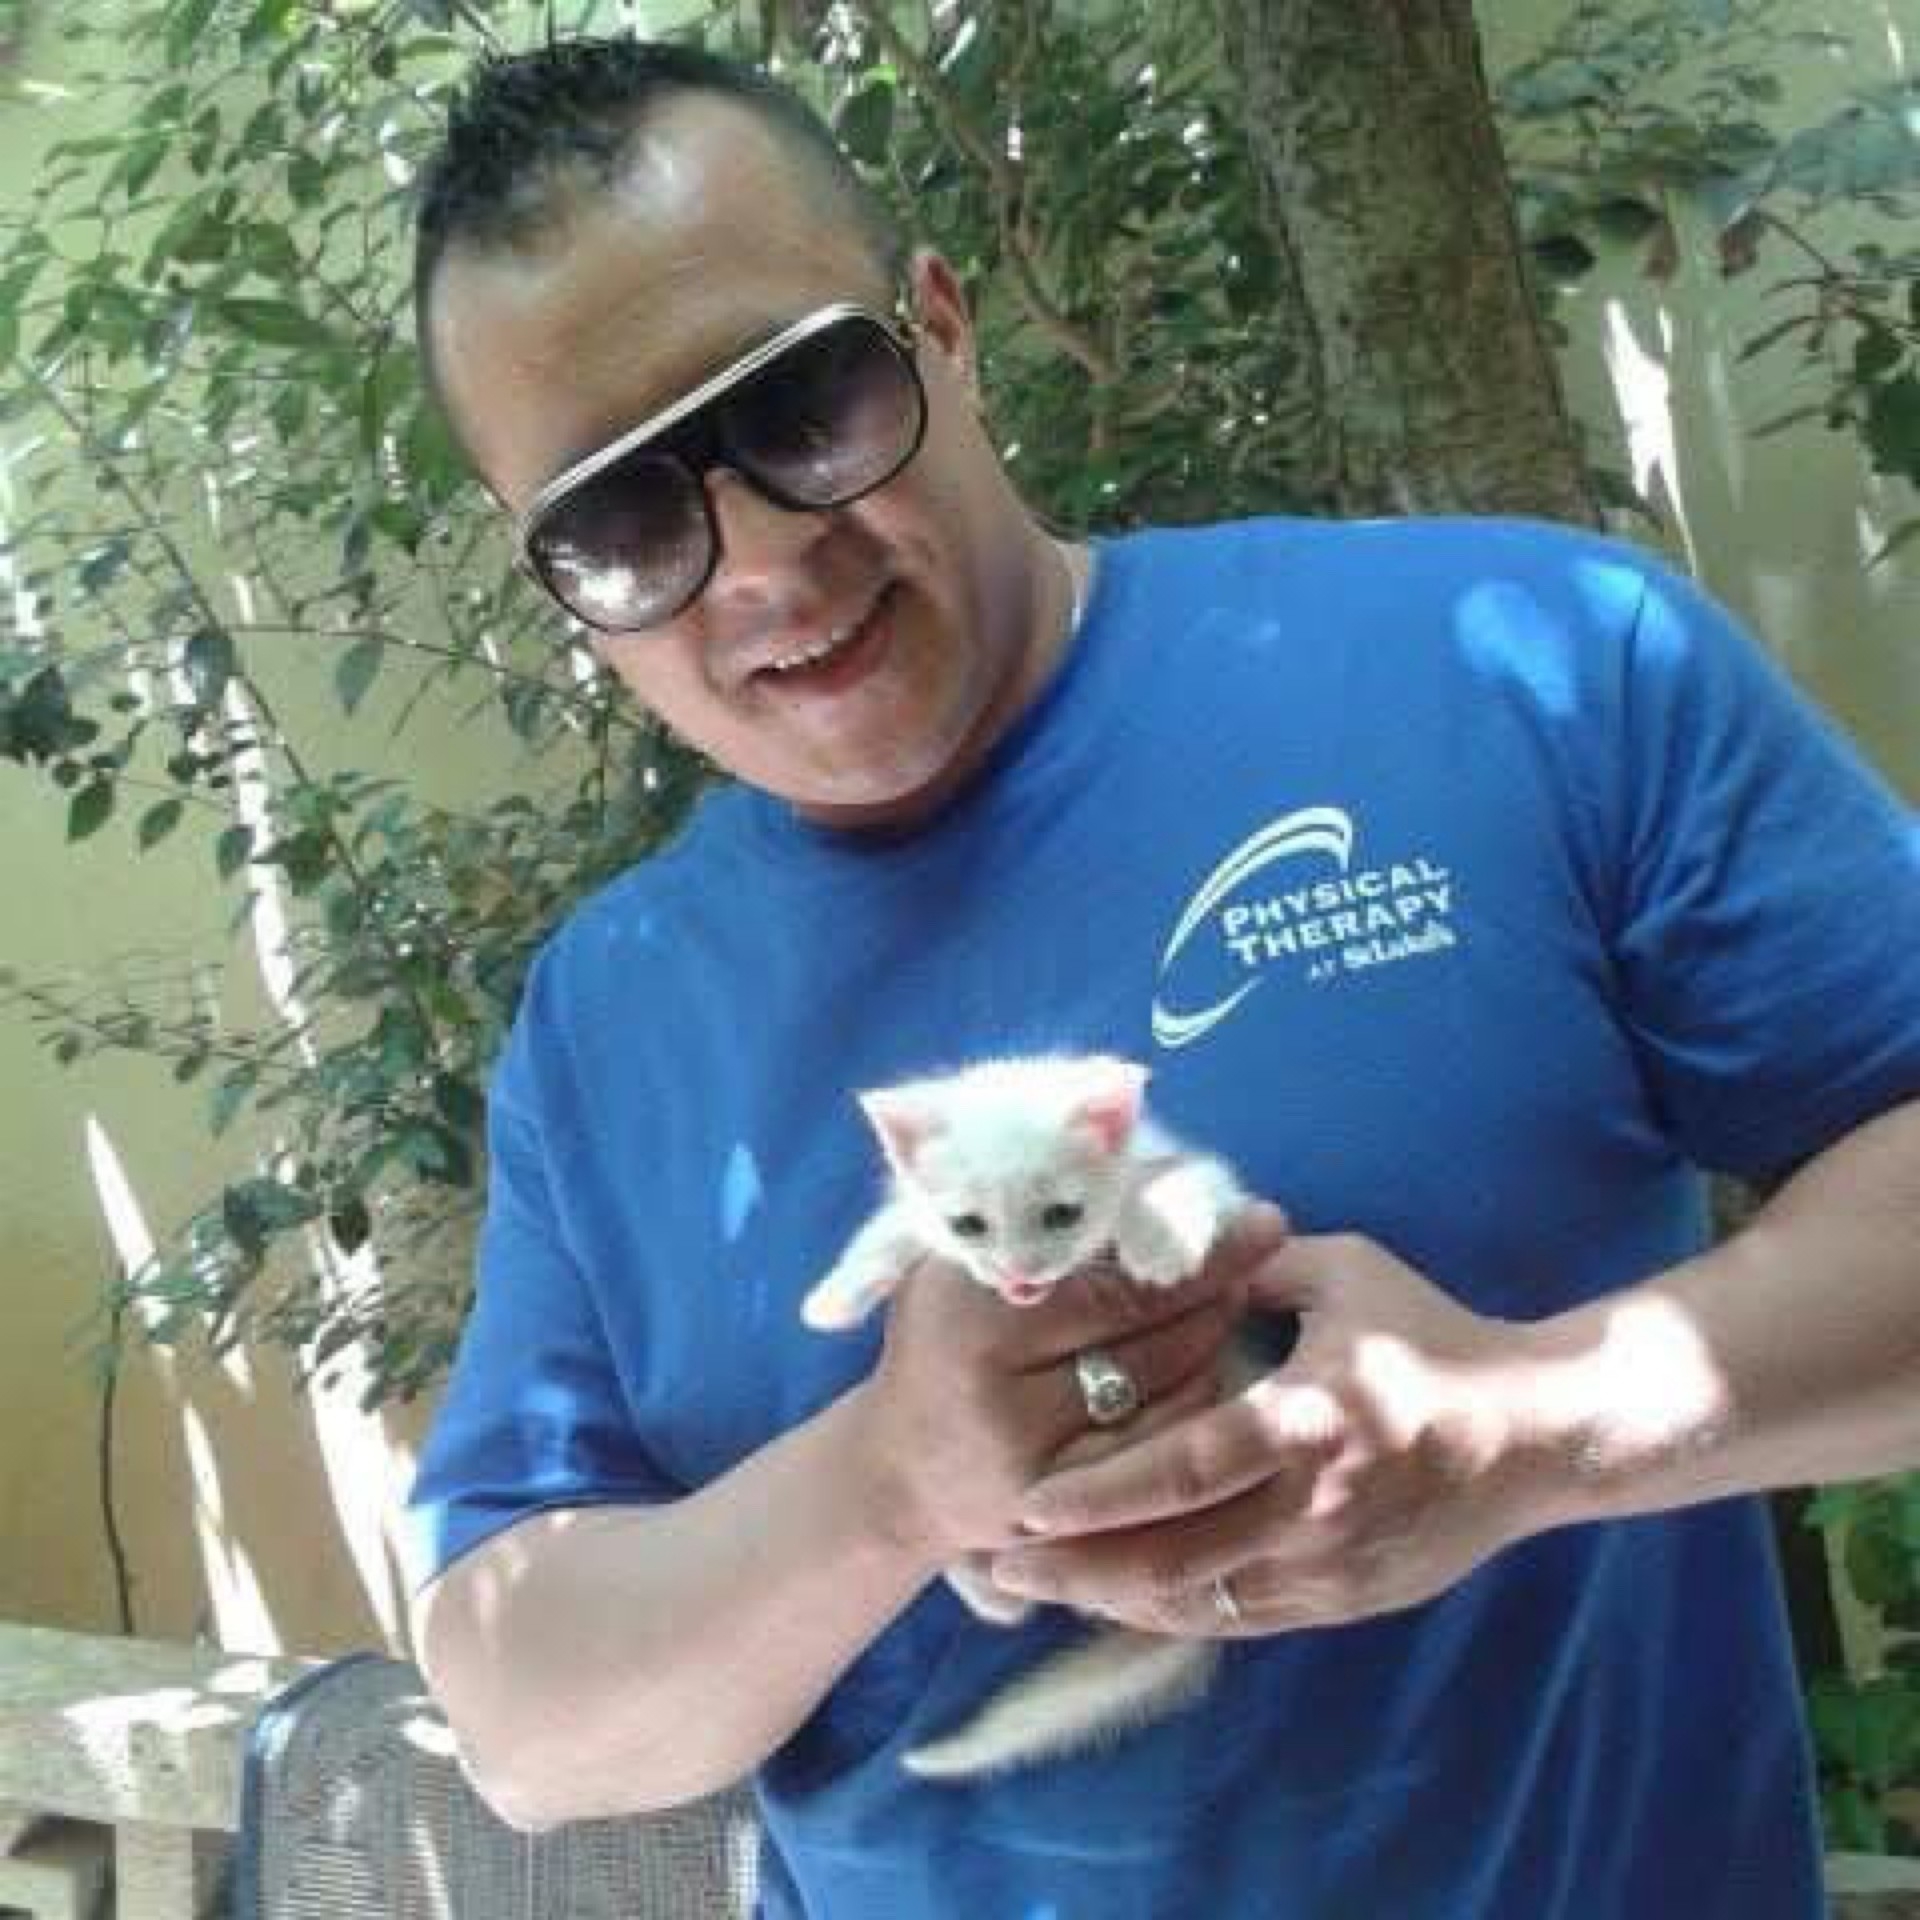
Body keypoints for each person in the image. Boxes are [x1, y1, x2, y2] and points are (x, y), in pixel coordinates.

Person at [402, 34, 1920, 1919]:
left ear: (941, 330)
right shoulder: (605, 1026)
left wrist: (1531, 1432)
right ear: (555, 581)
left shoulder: (1524, 664)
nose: (766, 563)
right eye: (624, 525)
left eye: (803, 404)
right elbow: (528, 1723)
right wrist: (891, 1483)